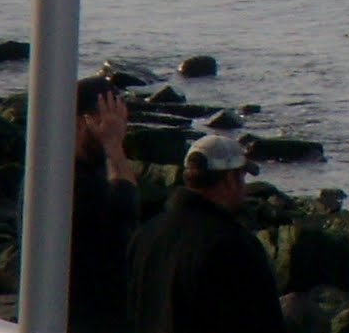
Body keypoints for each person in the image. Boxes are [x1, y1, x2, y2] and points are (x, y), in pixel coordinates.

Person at [127, 133, 285, 333]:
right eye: (242, 178)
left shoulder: (146, 234)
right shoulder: (234, 246)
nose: (245, 189)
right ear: (229, 180)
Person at [62, 76, 139, 333]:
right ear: (83, 121)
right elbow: (126, 205)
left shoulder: (59, 173)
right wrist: (113, 145)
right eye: (107, 119)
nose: (120, 129)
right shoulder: (72, 183)